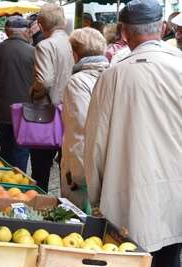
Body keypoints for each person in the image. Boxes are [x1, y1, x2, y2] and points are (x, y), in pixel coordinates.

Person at [84, 0, 182, 267]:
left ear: (124, 33)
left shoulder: (113, 75)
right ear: (163, 28)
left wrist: (96, 194)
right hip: (177, 190)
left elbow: (95, 143)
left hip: (129, 192)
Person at [60, 27, 109, 211]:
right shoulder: (113, 74)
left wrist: (78, 175)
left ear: (74, 54)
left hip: (85, 173)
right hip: (107, 167)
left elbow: (79, 131)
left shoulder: (78, 82)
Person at [0, 16, 34, 171]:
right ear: (26, 32)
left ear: (7, 31)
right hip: (26, 111)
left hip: (2, 110)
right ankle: (19, 188)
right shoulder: (33, 52)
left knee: (5, 151)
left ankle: (4, 183)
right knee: (21, 152)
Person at [31, 3, 74, 192]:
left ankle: (41, 202)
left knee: (41, 169)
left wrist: (33, 93)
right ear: (63, 21)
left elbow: (44, 80)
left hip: (48, 112)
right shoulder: (74, 41)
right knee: (68, 165)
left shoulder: (45, 45)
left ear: (40, 25)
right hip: (72, 110)